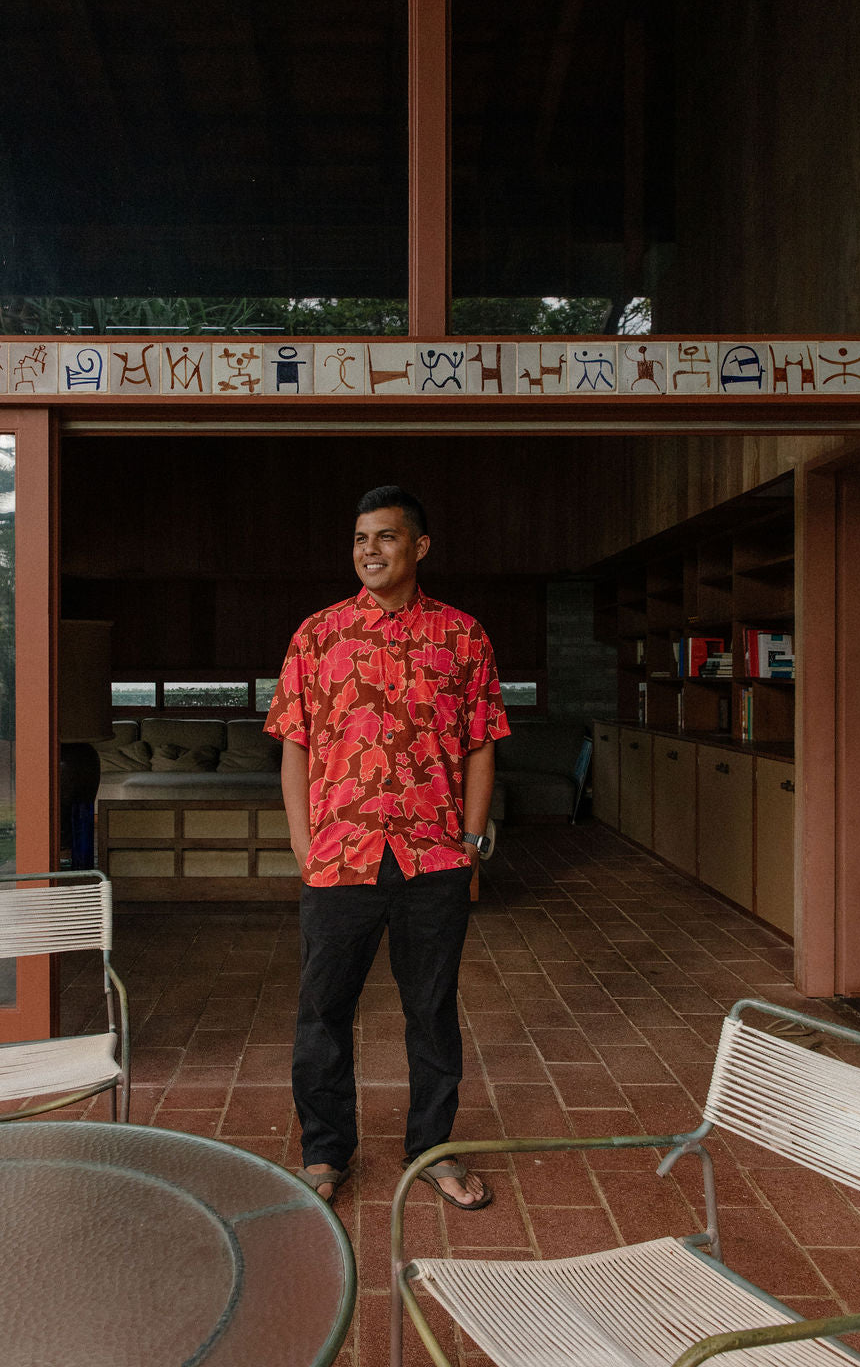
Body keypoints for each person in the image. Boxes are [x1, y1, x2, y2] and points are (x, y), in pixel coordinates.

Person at [264, 485, 510, 1209]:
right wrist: (304, 843)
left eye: (386, 537)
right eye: (360, 539)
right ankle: (324, 1151)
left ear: (419, 547)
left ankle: (431, 1148)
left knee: (431, 1011)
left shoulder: (463, 636)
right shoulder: (318, 634)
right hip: (340, 857)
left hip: (434, 859)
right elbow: (294, 743)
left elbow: (482, 744)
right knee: (323, 1011)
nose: (369, 550)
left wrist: (470, 841)